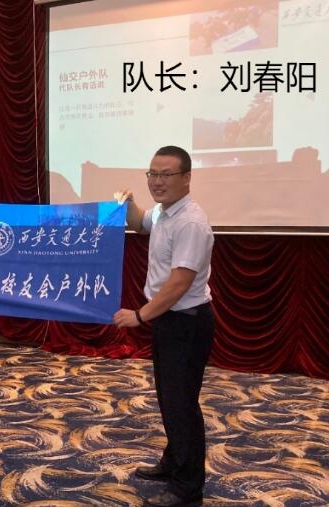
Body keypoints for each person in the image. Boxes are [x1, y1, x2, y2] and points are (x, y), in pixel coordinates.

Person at [114, 146, 215, 507]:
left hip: (186, 322)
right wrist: (128, 204)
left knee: (182, 404)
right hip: (171, 320)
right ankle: (173, 463)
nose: (157, 181)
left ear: (186, 178)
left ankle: (188, 486)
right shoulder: (165, 211)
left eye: (166, 175)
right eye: (152, 174)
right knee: (170, 399)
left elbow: (179, 283)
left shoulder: (191, 222)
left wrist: (140, 315)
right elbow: (140, 222)